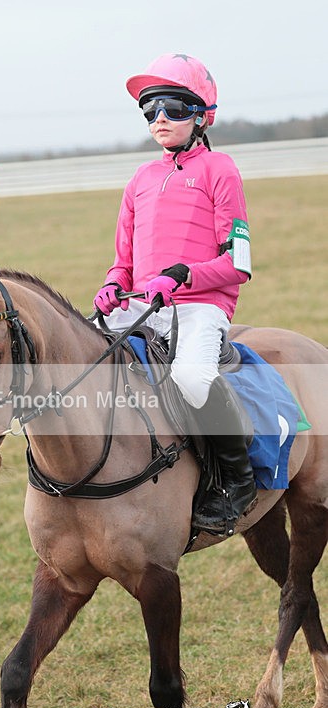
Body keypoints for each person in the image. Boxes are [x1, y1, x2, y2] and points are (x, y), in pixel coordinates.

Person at [93, 53, 256, 534]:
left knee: (189, 377)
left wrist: (181, 277)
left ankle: (237, 479)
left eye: (172, 108)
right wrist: (112, 285)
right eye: (150, 111)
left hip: (202, 306)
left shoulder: (220, 169)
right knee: (80, 357)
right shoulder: (140, 180)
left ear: (202, 116)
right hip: (144, 305)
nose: (159, 120)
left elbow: (238, 263)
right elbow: (123, 260)